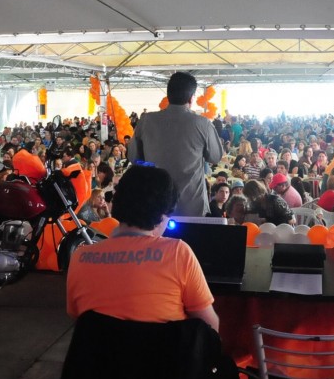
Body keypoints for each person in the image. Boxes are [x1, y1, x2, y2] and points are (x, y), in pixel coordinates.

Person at [66, 165, 220, 331]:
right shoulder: (177, 253)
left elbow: (78, 317)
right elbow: (210, 327)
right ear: (163, 214)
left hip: (98, 348)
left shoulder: (80, 257)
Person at [127, 72, 224, 216]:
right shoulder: (202, 123)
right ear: (191, 98)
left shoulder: (146, 120)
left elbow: (133, 157)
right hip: (192, 207)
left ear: (168, 95)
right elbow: (215, 157)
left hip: (156, 204)